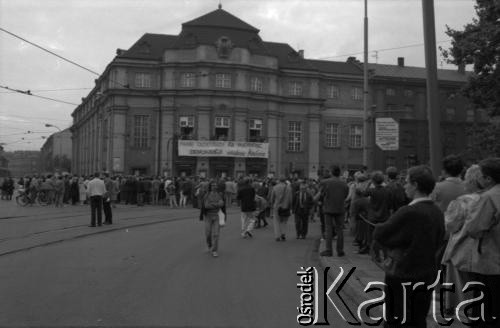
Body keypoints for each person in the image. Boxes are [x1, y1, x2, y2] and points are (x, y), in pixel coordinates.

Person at [373, 165, 444, 328]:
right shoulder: (436, 212)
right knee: (418, 319)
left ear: (416, 185)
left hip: (403, 273)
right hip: (426, 273)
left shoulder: (408, 212)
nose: (404, 186)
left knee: (396, 318)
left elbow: (382, 234)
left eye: (407, 182)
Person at [441, 165, 485, 315]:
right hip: (486, 252)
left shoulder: (463, 201)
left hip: (462, 249)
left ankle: (457, 309)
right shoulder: (491, 198)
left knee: (460, 285)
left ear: (472, 181)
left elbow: (451, 225)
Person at [464, 158, 500, 327]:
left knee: (485, 308)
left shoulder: (488, 197)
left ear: (488, 179)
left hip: (490, 259)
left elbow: (473, 228)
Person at [316, 165, 349, 257]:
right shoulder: (344, 183)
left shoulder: (325, 182)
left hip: (328, 208)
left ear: (332, 172)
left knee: (328, 229)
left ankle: (329, 250)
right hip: (340, 208)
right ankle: (340, 250)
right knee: (340, 230)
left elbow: (321, 193)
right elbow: (346, 195)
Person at [200, 181, 225, 257]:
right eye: (213, 185)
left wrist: (213, 204)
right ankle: (209, 245)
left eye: (215, 185)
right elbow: (206, 206)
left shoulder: (219, 195)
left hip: (216, 216)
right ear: (210, 186)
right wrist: (217, 204)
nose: (214, 186)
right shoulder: (207, 195)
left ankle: (214, 250)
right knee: (208, 234)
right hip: (208, 216)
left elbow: (222, 204)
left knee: (216, 234)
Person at [270, 177, 293, 241]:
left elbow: (272, 199)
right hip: (286, 207)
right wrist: (291, 207)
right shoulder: (289, 188)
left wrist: (272, 205)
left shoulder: (275, 187)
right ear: (285, 180)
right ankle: (283, 234)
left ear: (279, 180)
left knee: (276, 222)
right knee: (284, 221)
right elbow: (291, 199)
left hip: (277, 207)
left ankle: (277, 236)